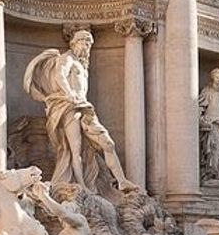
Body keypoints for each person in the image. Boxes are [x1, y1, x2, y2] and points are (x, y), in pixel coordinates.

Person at [23, 29, 138, 194]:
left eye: (89, 44)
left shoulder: (82, 64)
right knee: (75, 149)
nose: (86, 47)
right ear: (74, 43)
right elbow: (59, 75)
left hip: (84, 108)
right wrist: (69, 94)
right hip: (70, 107)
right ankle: (82, 186)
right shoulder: (67, 58)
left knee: (108, 143)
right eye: (84, 42)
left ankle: (121, 181)